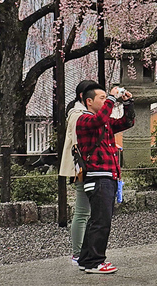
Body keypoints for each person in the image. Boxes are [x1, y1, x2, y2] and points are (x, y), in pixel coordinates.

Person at [75, 82, 135, 274]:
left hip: (107, 177)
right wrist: (112, 97)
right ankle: (95, 262)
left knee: (97, 220)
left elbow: (127, 122)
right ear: (89, 101)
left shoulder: (104, 121)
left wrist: (128, 103)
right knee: (102, 222)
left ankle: (86, 260)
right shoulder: (84, 120)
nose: (107, 100)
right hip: (97, 177)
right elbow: (98, 121)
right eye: (102, 98)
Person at [59, 79, 99, 264]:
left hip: (83, 167)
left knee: (86, 212)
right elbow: (80, 143)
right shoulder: (78, 115)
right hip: (84, 168)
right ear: (84, 97)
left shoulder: (77, 112)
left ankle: (81, 251)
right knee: (83, 212)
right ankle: (77, 253)